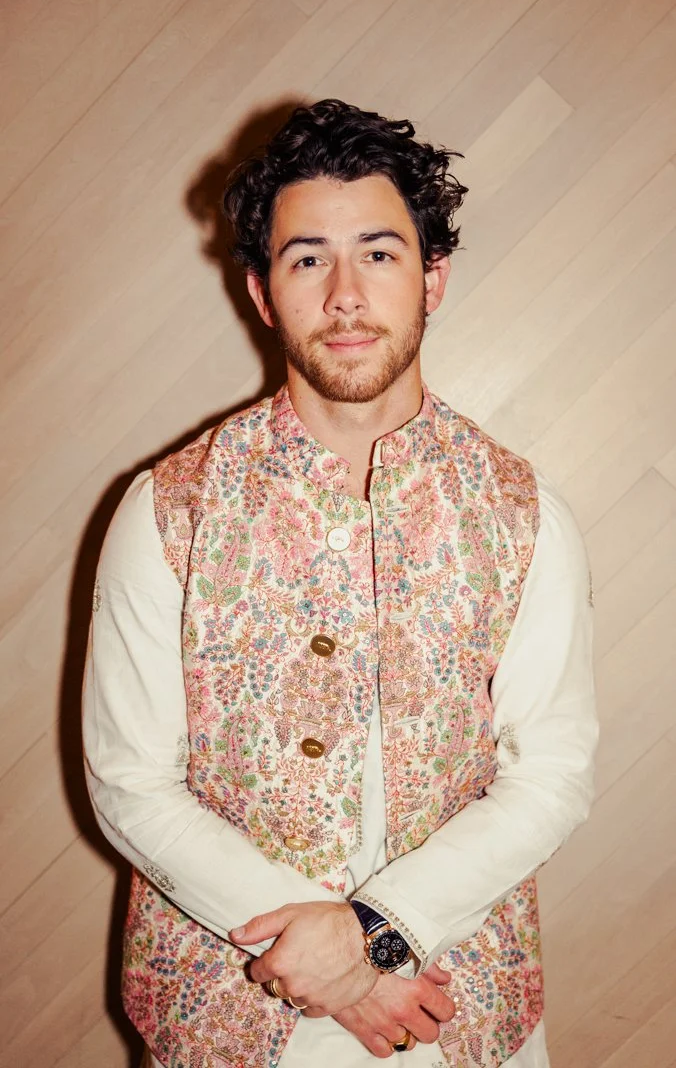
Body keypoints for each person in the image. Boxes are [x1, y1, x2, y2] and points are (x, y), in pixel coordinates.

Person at [82, 99, 598, 1068]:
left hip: (454, 1012)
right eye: (307, 258)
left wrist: (375, 929)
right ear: (262, 293)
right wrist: (330, 965)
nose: (347, 295)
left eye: (380, 253)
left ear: (432, 278)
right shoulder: (165, 511)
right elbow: (128, 780)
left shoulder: (523, 513)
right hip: (226, 1016)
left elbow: (553, 772)